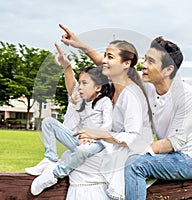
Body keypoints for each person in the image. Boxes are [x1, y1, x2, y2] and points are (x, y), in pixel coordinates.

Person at [59, 24, 192, 200]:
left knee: (134, 164)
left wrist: (133, 148)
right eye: (145, 59)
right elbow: (113, 66)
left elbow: (174, 143)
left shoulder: (187, 95)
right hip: (165, 155)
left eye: (151, 62)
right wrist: (80, 45)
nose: (143, 65)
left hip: (188, 159)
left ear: (168, 70)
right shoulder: (147, 85)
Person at [56, 25, 154, 199]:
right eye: (105, 56)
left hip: (126, 155)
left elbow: (132, 137)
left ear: (126, 64)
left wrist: (98, 135)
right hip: (109, 149)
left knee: (77, 165)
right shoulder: (108, 88)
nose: (104, 61)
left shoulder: (131, 94)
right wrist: (73, 56)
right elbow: (77, 93)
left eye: (110, 57)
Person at [25, 45, 113, 196]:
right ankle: (50, 159)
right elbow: (71, 86)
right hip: (79, 140)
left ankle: (55, 174)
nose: (80, 87)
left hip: (98, 143)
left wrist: (93, 136)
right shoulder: (82, 100)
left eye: (84, 83)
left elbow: (108, 125)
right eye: (80, 83)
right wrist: (67, 66)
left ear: (98, 87)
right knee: (48, 122)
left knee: (83, 150)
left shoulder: (104, 102)